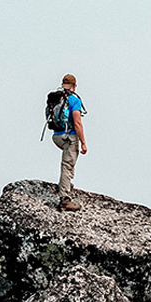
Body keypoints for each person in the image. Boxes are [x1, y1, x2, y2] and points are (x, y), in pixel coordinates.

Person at [51, 73, 87, 212]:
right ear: (74, 86)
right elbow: (77, 123)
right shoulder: (73, 100)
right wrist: (83, 142)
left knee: (67, 163)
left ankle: (65, 183)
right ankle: (64, 200)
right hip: (69, 137)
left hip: (56, 137)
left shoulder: (57, 98)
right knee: (68, 165)